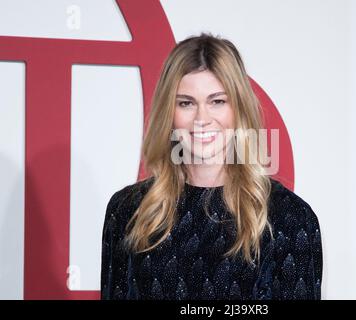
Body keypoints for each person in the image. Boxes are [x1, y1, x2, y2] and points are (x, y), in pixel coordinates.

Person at [101, 32, 322, 300]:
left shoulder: (289, 216)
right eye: (186, 103)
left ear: (238, 109)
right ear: (168, 114)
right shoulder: (129, 210)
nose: (201, 119)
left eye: (217, 101)